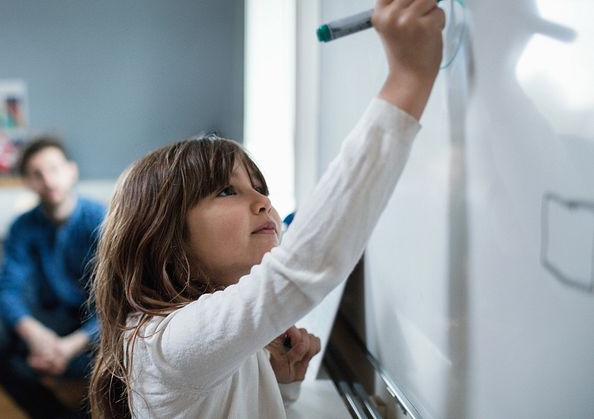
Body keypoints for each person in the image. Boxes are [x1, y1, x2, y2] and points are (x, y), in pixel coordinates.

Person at [90, 0, 445, 417]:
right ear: (163, 235)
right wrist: (408, 79)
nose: (264, 202)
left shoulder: (202, 340)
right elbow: (300, 269)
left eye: (260, 188)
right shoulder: (167, 344)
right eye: (227, 191)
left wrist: (283, 384)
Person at [0, 136, 107, 419]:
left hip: (97, 329)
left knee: (132, 344)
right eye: (37, 173)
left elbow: (122, 301)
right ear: (27, 182)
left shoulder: (103, 221)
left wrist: (72, 345)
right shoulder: (22, 227)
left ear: (71, 171)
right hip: (49, 324)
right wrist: (35, 335)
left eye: (54, 169)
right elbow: (6, 290)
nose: (48, 180)